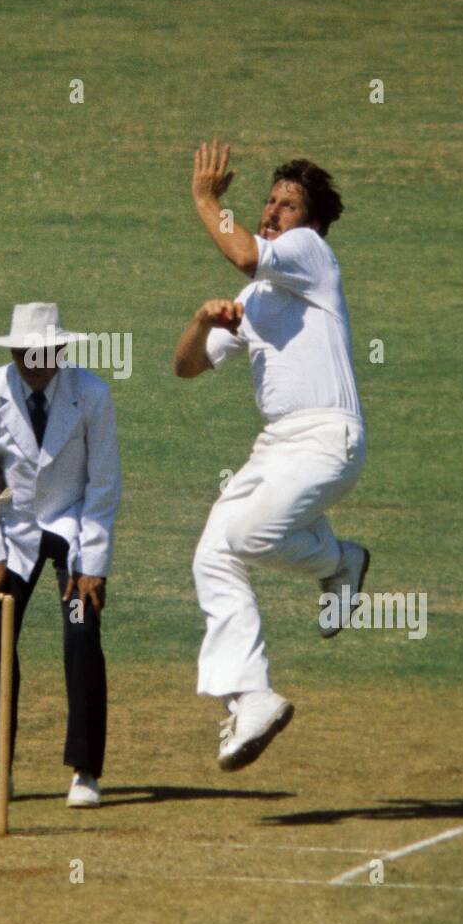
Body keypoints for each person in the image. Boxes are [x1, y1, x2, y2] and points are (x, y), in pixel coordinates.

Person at [173, 142, 369, 771]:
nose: (273, 211)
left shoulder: (310, 253)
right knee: (213, 553)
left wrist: (206, 201)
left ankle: (341, 559)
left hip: (326, 435)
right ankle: (251, 697)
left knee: (252, 535)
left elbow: (242, 251)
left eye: (288, 205)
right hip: (277, 445)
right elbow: (186, 368)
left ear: (308, 223)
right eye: (270, 200)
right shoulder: (256, 297)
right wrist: (203, 321)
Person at [0, 302, 121, 807]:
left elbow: (104, 483)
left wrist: (92, 565)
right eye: (23, 353)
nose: (32, 362)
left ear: (60, 350)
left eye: (42, 353)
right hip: (15, 530)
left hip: (71, 527)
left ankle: (85, 771)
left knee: (81, 629)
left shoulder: (92, 394)